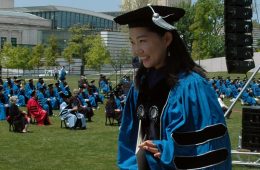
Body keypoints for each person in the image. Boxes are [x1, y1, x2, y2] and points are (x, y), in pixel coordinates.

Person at [114, 5, 231, 170]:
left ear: (167, 39)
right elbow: (128, 138)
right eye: (132, 42)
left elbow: (208, 149)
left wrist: (166, 150)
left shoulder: (192, 87)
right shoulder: (140, 85)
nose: (136, 50)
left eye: (142, 41)